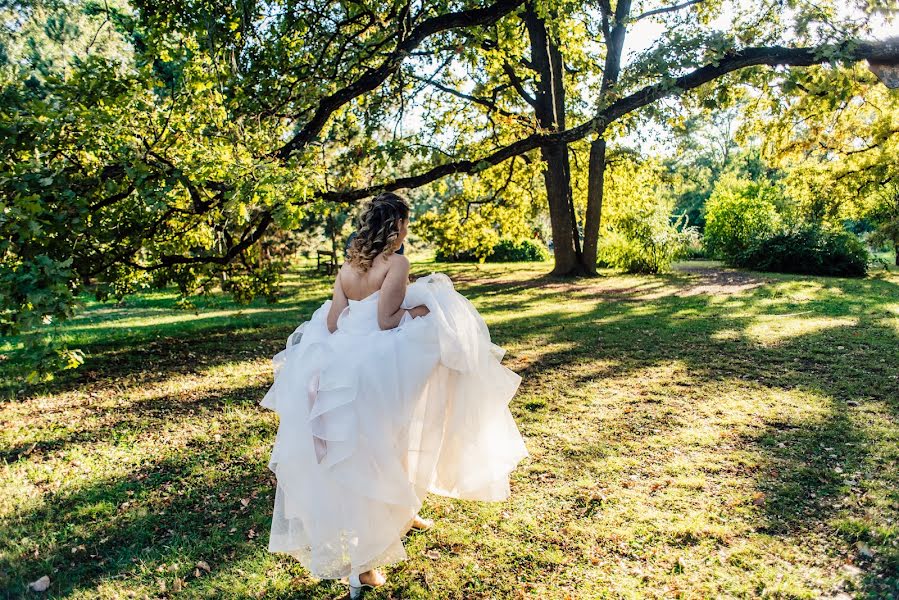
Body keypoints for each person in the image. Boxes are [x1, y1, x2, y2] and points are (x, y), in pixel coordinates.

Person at [260, 192, 528, 598]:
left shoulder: (348, 267)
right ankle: (363, 567)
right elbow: (387, 321)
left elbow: (333, 322)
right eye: (405, 223)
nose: (406, 231)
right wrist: (419, 314)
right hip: (377, 367)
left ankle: (404, 513)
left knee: (376, 443)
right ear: (395, 227)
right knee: (375, 449)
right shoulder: (397, 262)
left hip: (339, 364)